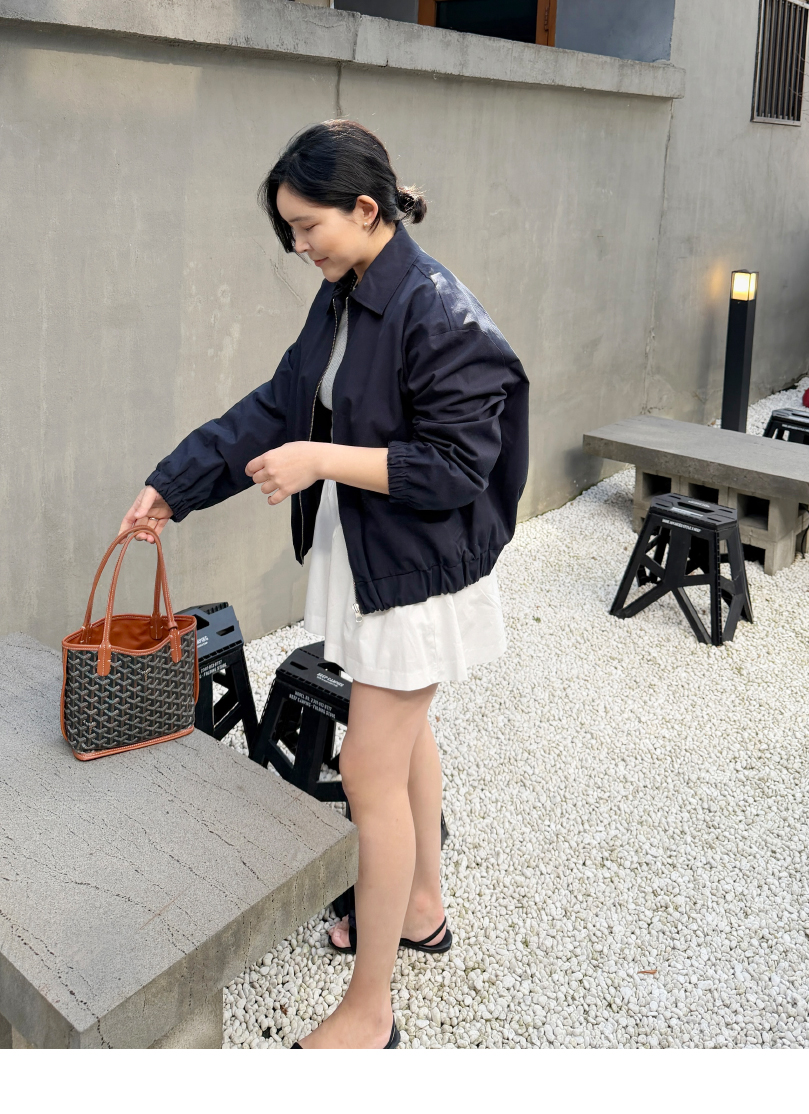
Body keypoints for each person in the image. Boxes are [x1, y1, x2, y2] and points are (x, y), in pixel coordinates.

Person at [120, 119, 529, 1049]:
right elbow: (278, 405)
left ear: (367, 209)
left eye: (309, 226)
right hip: (379, 554)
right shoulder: (347, 295)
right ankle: (420, 905)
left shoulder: (436, 311)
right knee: (406, 741)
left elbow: (457, 467)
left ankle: (369, 1013)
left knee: (369, 769)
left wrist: (319, 458)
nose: (300, 246)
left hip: (417, 573)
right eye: (292, 230)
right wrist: (173, 486)